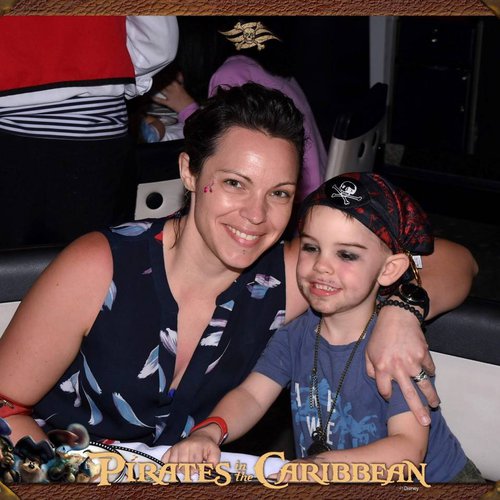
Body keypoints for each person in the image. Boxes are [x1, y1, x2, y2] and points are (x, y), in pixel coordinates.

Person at [0, 84, 477, 448]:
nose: (256, 215)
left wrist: (400, 309)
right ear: (190, 172)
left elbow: (460, 264)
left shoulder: (283, 279)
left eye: (279, 194)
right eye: (234, 183)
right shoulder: (101, 266)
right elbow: (5, 405)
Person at [163, 172, 484, 483]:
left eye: (346, 254)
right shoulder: (295, 334)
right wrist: (211, 431)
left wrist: (317, 469)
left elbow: (408, 450)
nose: (321, 266)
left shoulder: (394, 350)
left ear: (389, 269)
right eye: (311, 247)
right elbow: (251, 396)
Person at [0, 16, 178, 248]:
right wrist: (111, 78)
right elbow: (159, 40)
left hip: (9, 129)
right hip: (96, 135)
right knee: (96, 261)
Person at [152, 17, 327, 202]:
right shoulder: (271, 69)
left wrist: (185, 106)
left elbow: (219, 144)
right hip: (315, 191)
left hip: (293, 201)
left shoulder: (231, 73)